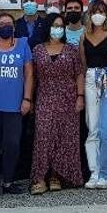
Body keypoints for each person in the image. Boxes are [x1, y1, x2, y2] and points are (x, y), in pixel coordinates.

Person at [0, 12, 34, 196]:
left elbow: (28, 74)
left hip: (14, 106)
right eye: (2, 24)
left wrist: (27, 99)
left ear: (13, 27)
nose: (5, 26)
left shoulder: (23, 44)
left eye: (9, 24)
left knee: (12, 144)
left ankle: (9, 181)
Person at [30, 16, 84, 193]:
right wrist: (28, 99)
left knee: (64, 138)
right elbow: (31, 76)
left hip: (68, 99)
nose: (57, 29)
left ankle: (56, 176)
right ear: (48, 27)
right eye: (54, 26)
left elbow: (79, 74)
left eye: (61, 26)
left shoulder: (70, 50)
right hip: (44, 98)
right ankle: (39, 178)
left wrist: (80, 96)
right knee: (43, 137)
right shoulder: (37, 50)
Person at [80, 0, 107, 189]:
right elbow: (83, 64)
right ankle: (94, 172)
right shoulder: (84, 36)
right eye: (95, 11)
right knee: (92, 128)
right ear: (89, 13)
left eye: (102, 11)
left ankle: (106, 172)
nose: (98, 14)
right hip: (90, 79)